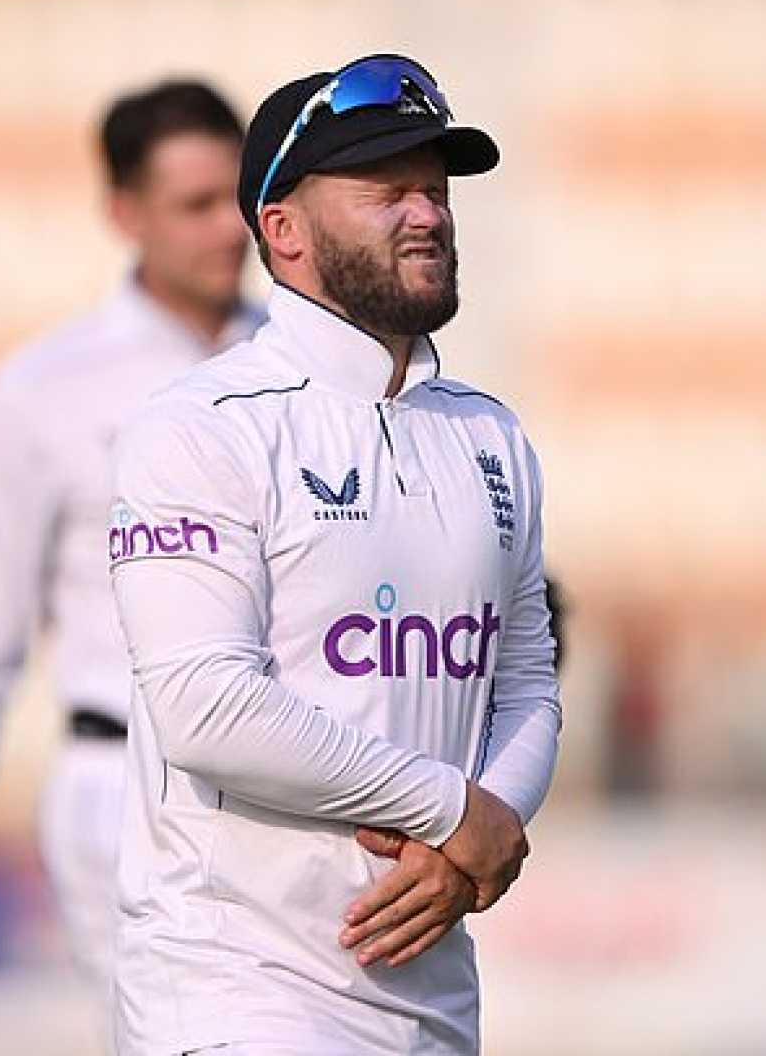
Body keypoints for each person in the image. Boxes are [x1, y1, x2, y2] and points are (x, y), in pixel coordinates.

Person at [107, 54, 562, 1054]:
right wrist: (452, 810)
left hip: (427, 992)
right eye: (385, 190)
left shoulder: (489, 435)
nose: (428, 215)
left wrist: (476, 833)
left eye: (436, 192)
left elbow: (525, 676)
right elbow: (206, 707)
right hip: (235, 987)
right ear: (283, 230)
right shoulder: (200, 427)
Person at [0, 80, 260, 993]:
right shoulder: (43, 389)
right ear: (123, 212)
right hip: (125, 789)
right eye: (193, 205)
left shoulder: (305, 366)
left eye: (235, 200)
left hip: (290, 792)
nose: (227, 230)